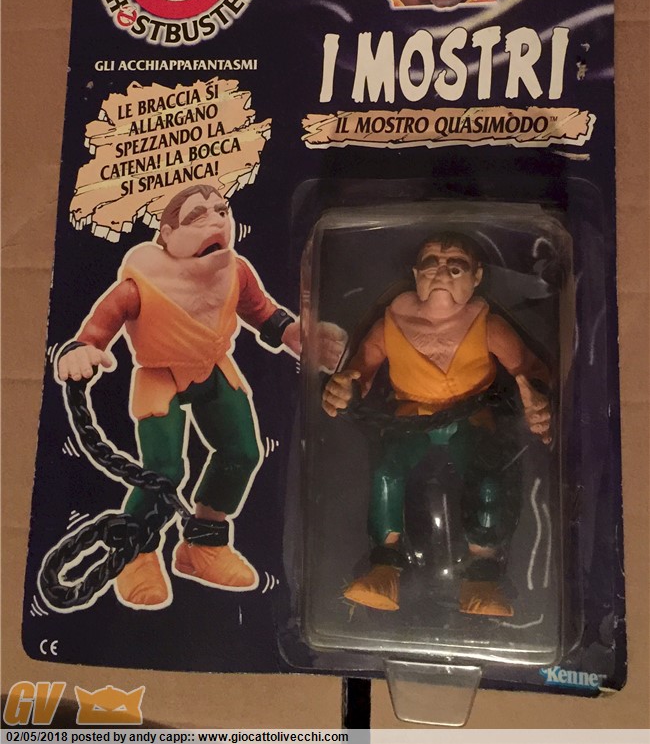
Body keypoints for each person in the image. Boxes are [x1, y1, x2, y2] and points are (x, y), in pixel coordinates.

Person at [58, 184, 344, 610]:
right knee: (164, 470)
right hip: (160, 375)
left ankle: (203, 544)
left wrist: (296, 334)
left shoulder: (236, 272)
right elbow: (98, 328)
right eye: (197, 216)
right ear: (167, 234)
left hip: (213, 368)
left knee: (242, 452)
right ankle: (136, 550)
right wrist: (81, 350)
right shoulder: (140, 284)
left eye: (222, 211)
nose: (216, 220)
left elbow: (261, 312)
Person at [322, 233, 551, 616]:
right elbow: (361, 370)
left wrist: (538, 400)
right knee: (386, 470)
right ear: (416, 274)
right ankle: (385, 565)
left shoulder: (487, 325)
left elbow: (529, 368)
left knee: (488, 476)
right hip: (411, 418)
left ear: (477, 277)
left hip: (471, 418)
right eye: (431, 263)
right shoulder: (391, 323)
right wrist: (344, 387)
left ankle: (483, 572)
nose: (442, 272)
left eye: (455, 265)